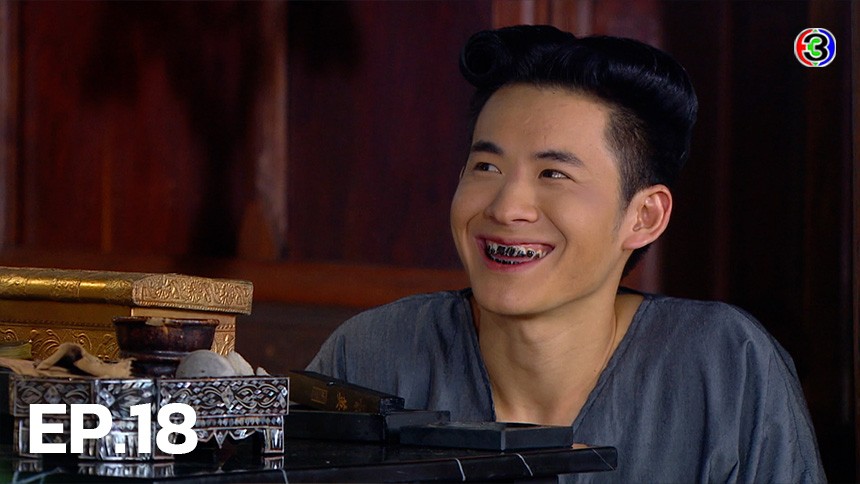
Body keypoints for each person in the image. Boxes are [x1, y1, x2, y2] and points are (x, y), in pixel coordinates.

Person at [307, 25, 826, 482]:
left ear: (643, 217)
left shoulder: (727, 365)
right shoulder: (370, 354)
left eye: (553, 174)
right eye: (486, 167)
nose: (507, 207)